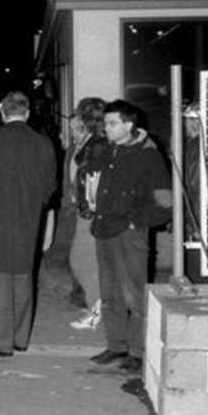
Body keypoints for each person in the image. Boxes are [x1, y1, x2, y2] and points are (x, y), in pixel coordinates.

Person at [81, 99, 172, 375]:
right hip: (105, 229)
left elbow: (165, 202)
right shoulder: (110, 152)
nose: (106, 128)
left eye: (112, 123)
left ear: (129, 125)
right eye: (106, 123)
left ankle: (137, 351)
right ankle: (117, 346)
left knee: (133, 293)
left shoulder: (148, 156)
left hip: (129, 234)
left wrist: (137, 222)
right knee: (110, 293)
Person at [0, 91, 57, 358]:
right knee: (23, 276)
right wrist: (35, 203)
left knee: (2, 278)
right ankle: (20, 337)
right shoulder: (43, 142)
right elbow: (49, 186)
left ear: (3, 112)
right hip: (29, 218)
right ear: (27, 113)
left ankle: (0, 341)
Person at [66, 98, 109, 331]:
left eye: (78, 117)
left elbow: (93, 180)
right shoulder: (90, 142)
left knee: (82, 261)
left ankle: (96, 312)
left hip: (89, 212)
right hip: (85, 210)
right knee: (86, 262)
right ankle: (97, 308)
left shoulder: (96, 145)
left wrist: (90, 207)